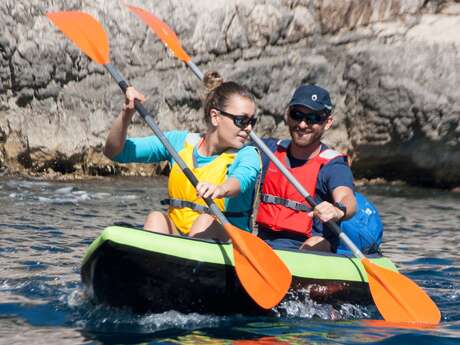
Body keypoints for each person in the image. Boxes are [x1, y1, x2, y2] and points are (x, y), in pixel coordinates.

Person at [103, 72, 261, 240]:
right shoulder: (178, 143)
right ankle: (154, 263)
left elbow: (242, 179)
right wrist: (126, 113)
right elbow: (115, 152)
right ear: (215, 117)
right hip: (181, 238)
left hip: (229, 242)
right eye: (241, 121)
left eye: (252, 121)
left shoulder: (248, 154)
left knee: (205, 221)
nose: (249, 128)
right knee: (156, 218)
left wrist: (221, 189)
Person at [255, 84, 357, 252]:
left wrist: (338, 210)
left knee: (315, 244)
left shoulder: (333, 165)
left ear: (328, 122)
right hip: (265, 245)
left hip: (310, 246)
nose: (302, 125)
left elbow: (347, 198)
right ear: (288, 115)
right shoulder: (268, 151)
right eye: (297, 115)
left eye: (313, 118)